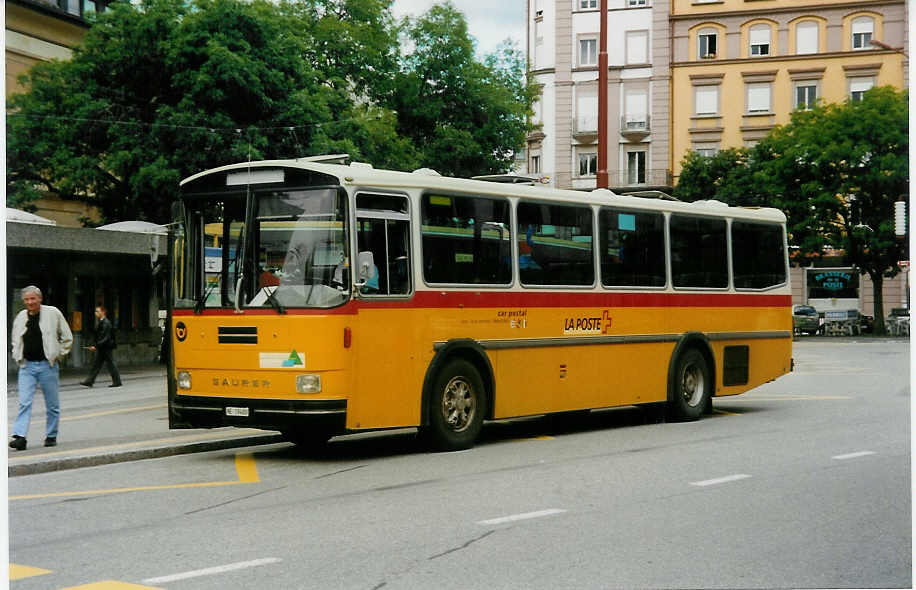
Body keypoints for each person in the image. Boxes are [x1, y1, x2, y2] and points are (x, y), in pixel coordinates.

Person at [9, 286, 73, 450]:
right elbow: (16, 338)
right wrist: (17, 354)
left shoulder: (53, 313)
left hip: (47, 365)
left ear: (40, 299)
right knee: (24, 402)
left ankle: (51, 435)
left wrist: (58, 354)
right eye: (27, 299)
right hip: (27, 366)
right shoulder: (21, 316)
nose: (30, 302)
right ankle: (20, 437)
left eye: (33, 299)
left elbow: (67, 337)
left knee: (52, 404)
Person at [81, 305, 122, 388]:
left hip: (106, 347)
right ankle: (89, 381)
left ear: (103, 312)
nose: (96, 313)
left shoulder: (106, 323)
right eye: (95, 311)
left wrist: (96, 346)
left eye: (97, 311)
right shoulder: (102, 322)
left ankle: (117, 382)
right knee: (97, 364)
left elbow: (105, 337)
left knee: (110, 364)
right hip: (103, 347)